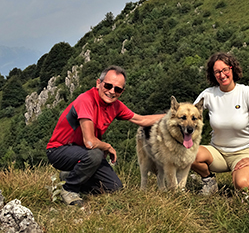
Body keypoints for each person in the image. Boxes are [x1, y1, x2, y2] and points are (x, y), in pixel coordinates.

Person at [46, 65, 165, 206]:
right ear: (98, 83)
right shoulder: (86, 100)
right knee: (96, 154)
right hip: (59, 150)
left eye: (117, 89)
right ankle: (69, 189)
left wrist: (171, 116)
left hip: (85, 153)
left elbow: (141, 120)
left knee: (114, 188)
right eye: (108, 86)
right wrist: (108, 147)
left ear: (122, 91)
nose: (111, 91)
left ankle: (69, 177)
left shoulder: (116, 106)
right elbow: (90, 142)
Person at [191, 52, 249, 195]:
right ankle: (209, 183)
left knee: (242, 185)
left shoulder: (246, 92)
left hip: (242, 153)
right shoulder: (209, 94)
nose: (222, 75)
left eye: (225, 70)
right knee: (187, 153)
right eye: (217, 72)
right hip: (217, 152)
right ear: (213, 75)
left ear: (232, 69)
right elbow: (186, 114)